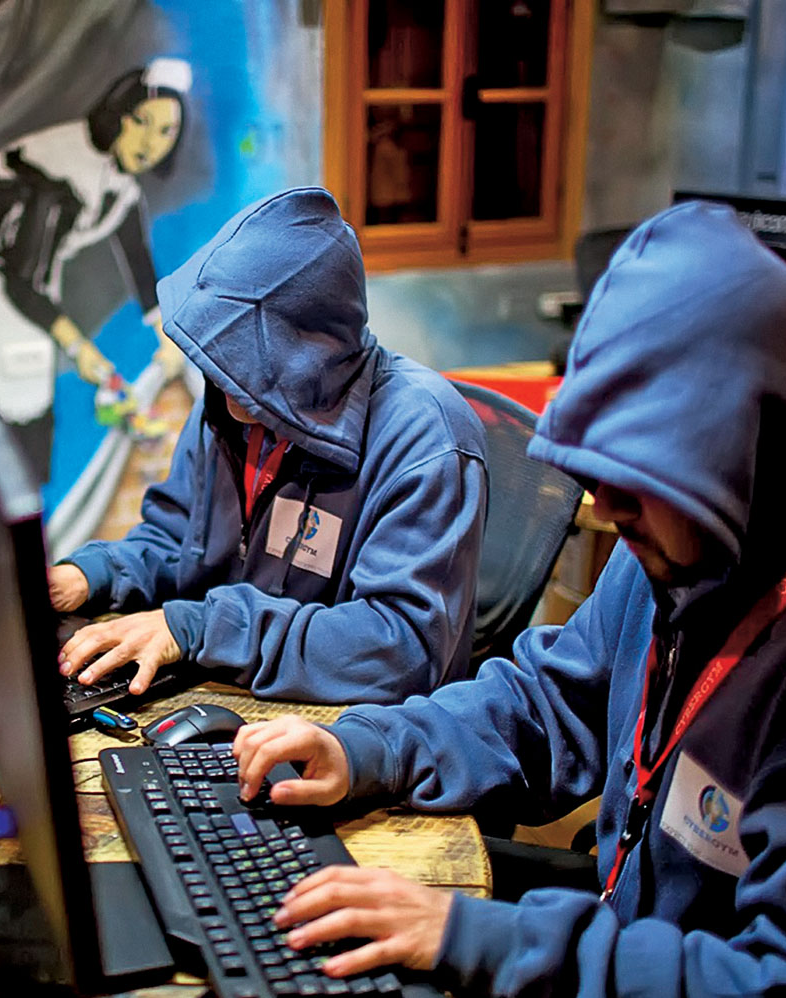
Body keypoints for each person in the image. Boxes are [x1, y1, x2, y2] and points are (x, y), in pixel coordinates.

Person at [232, 201, 786, 998]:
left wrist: (480, 939)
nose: (606, 512)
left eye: (635, 487)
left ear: (749, 452)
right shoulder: (703, 537)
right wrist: (367, 748)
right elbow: (547, 702)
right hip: (619, 959)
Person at [50, 187, 488, 703]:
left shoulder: (427, 439)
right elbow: (177, 540)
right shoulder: (229, 408)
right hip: (232, 688)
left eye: (240, 358)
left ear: (307, 351)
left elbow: (399, 650)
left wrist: (202, 628)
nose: (221, 378)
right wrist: (90, 575)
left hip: (353, 725)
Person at [0, 58, 193, 498]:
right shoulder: (60, 176)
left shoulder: (118, 184)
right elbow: (22, 284)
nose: (152, 142)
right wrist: (80, 350)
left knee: (26, 415)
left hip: (21, 282)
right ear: (119, 116)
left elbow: (139, 263)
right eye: (141, 122)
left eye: (166, 131)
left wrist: (167, 336)